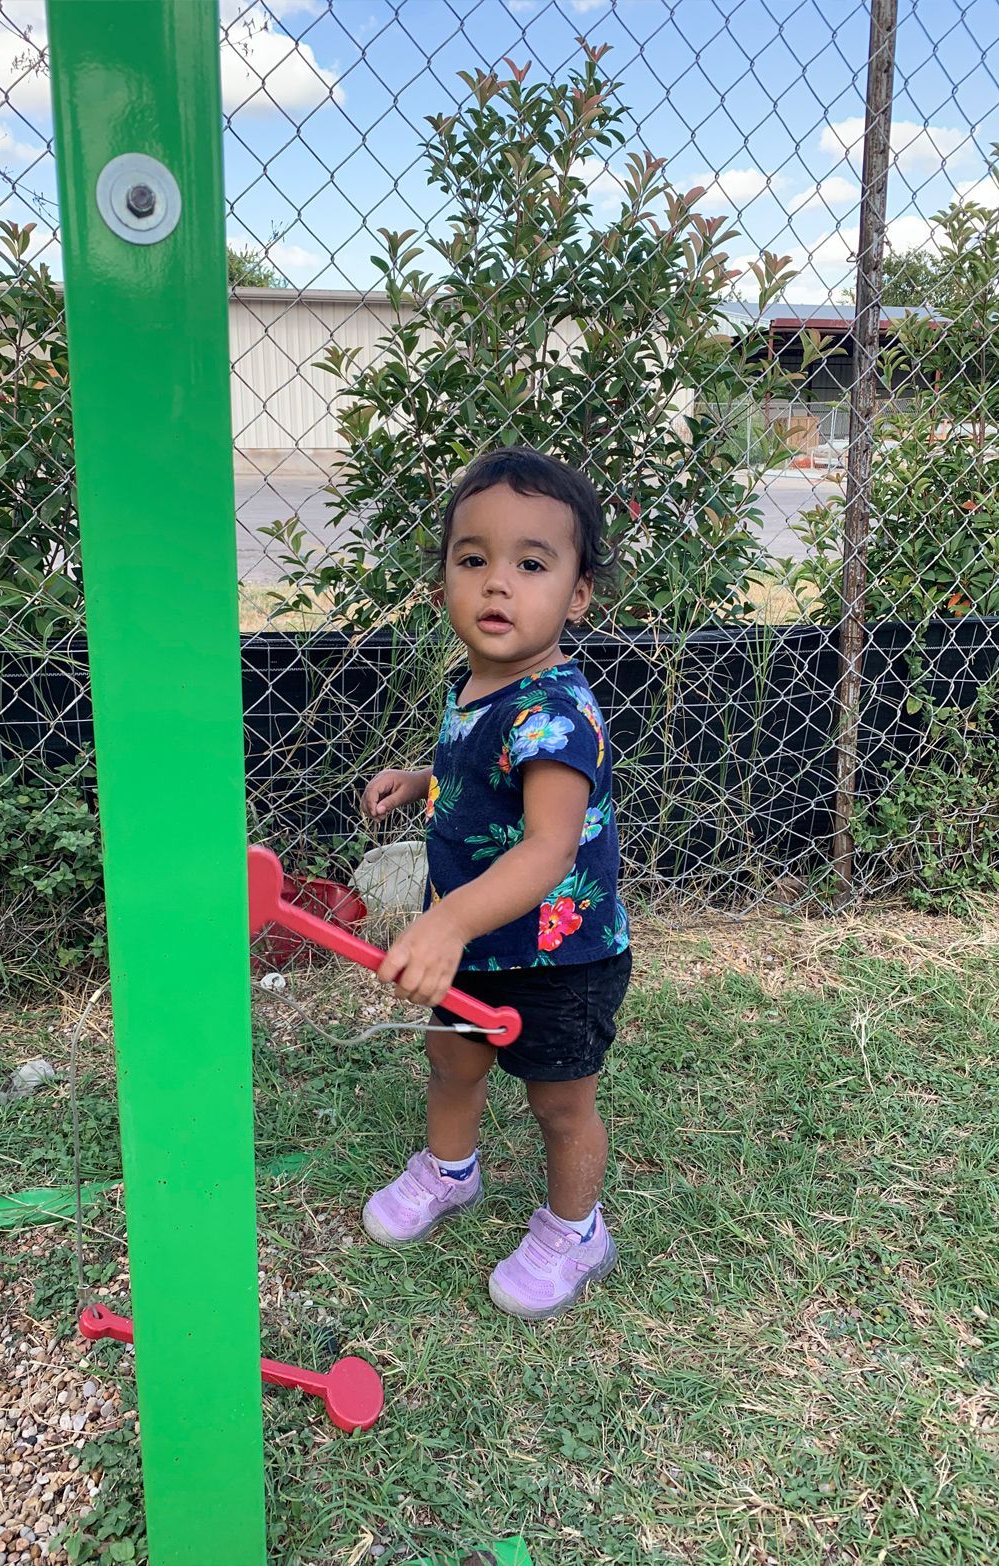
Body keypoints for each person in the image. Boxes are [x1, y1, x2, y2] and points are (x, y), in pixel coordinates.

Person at [359, 445, 631, 1319]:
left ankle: (577, 1229)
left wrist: (445, 924)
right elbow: (483, 776)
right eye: (473, 559)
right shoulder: (480, 685)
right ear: (444, 579)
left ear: (578, 595)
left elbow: (549, 847)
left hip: (558, 958)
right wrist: (422, 780)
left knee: (560, 1102)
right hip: (478, 940)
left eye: (531, 564)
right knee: (451, 1059)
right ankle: (451, 1170)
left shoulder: (555, 714)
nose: (497, 584)